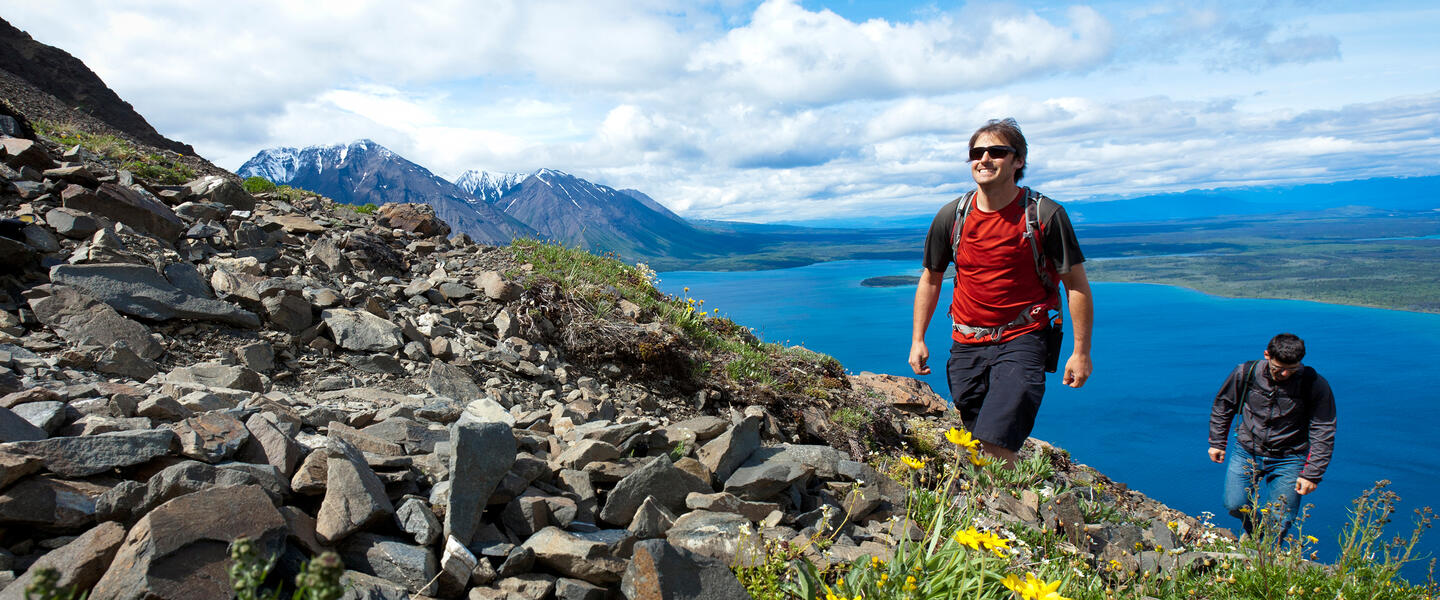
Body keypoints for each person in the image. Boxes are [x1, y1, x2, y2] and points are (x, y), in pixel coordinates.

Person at [909, 118, 1094, 466]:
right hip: (966, 343)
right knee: (975, 437)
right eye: (976, 153)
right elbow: (931, 278)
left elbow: (1077, 286)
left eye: (996, 151)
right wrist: (918, 339)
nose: (984, 159)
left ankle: (998, 515)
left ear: (1018, 160)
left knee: (995, 441)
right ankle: (994, 503)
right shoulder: (953, 216)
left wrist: (1080, 353)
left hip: (1024, 338)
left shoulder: (1045, 215)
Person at [1208, 333, 1336, 539]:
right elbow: (1224, 405)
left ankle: (1264, 555)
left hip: (1290, 457)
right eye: (1278, 368)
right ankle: (1257, 532)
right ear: (1267, 355)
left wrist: (1312, 473)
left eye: (1292, 369)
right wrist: (1217, 441)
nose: (1285, 374)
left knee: (1281, 517)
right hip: (1247, 450)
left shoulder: (1314, 384)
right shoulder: (1246, 372)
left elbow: (1324, 428)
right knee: (1234, 504)